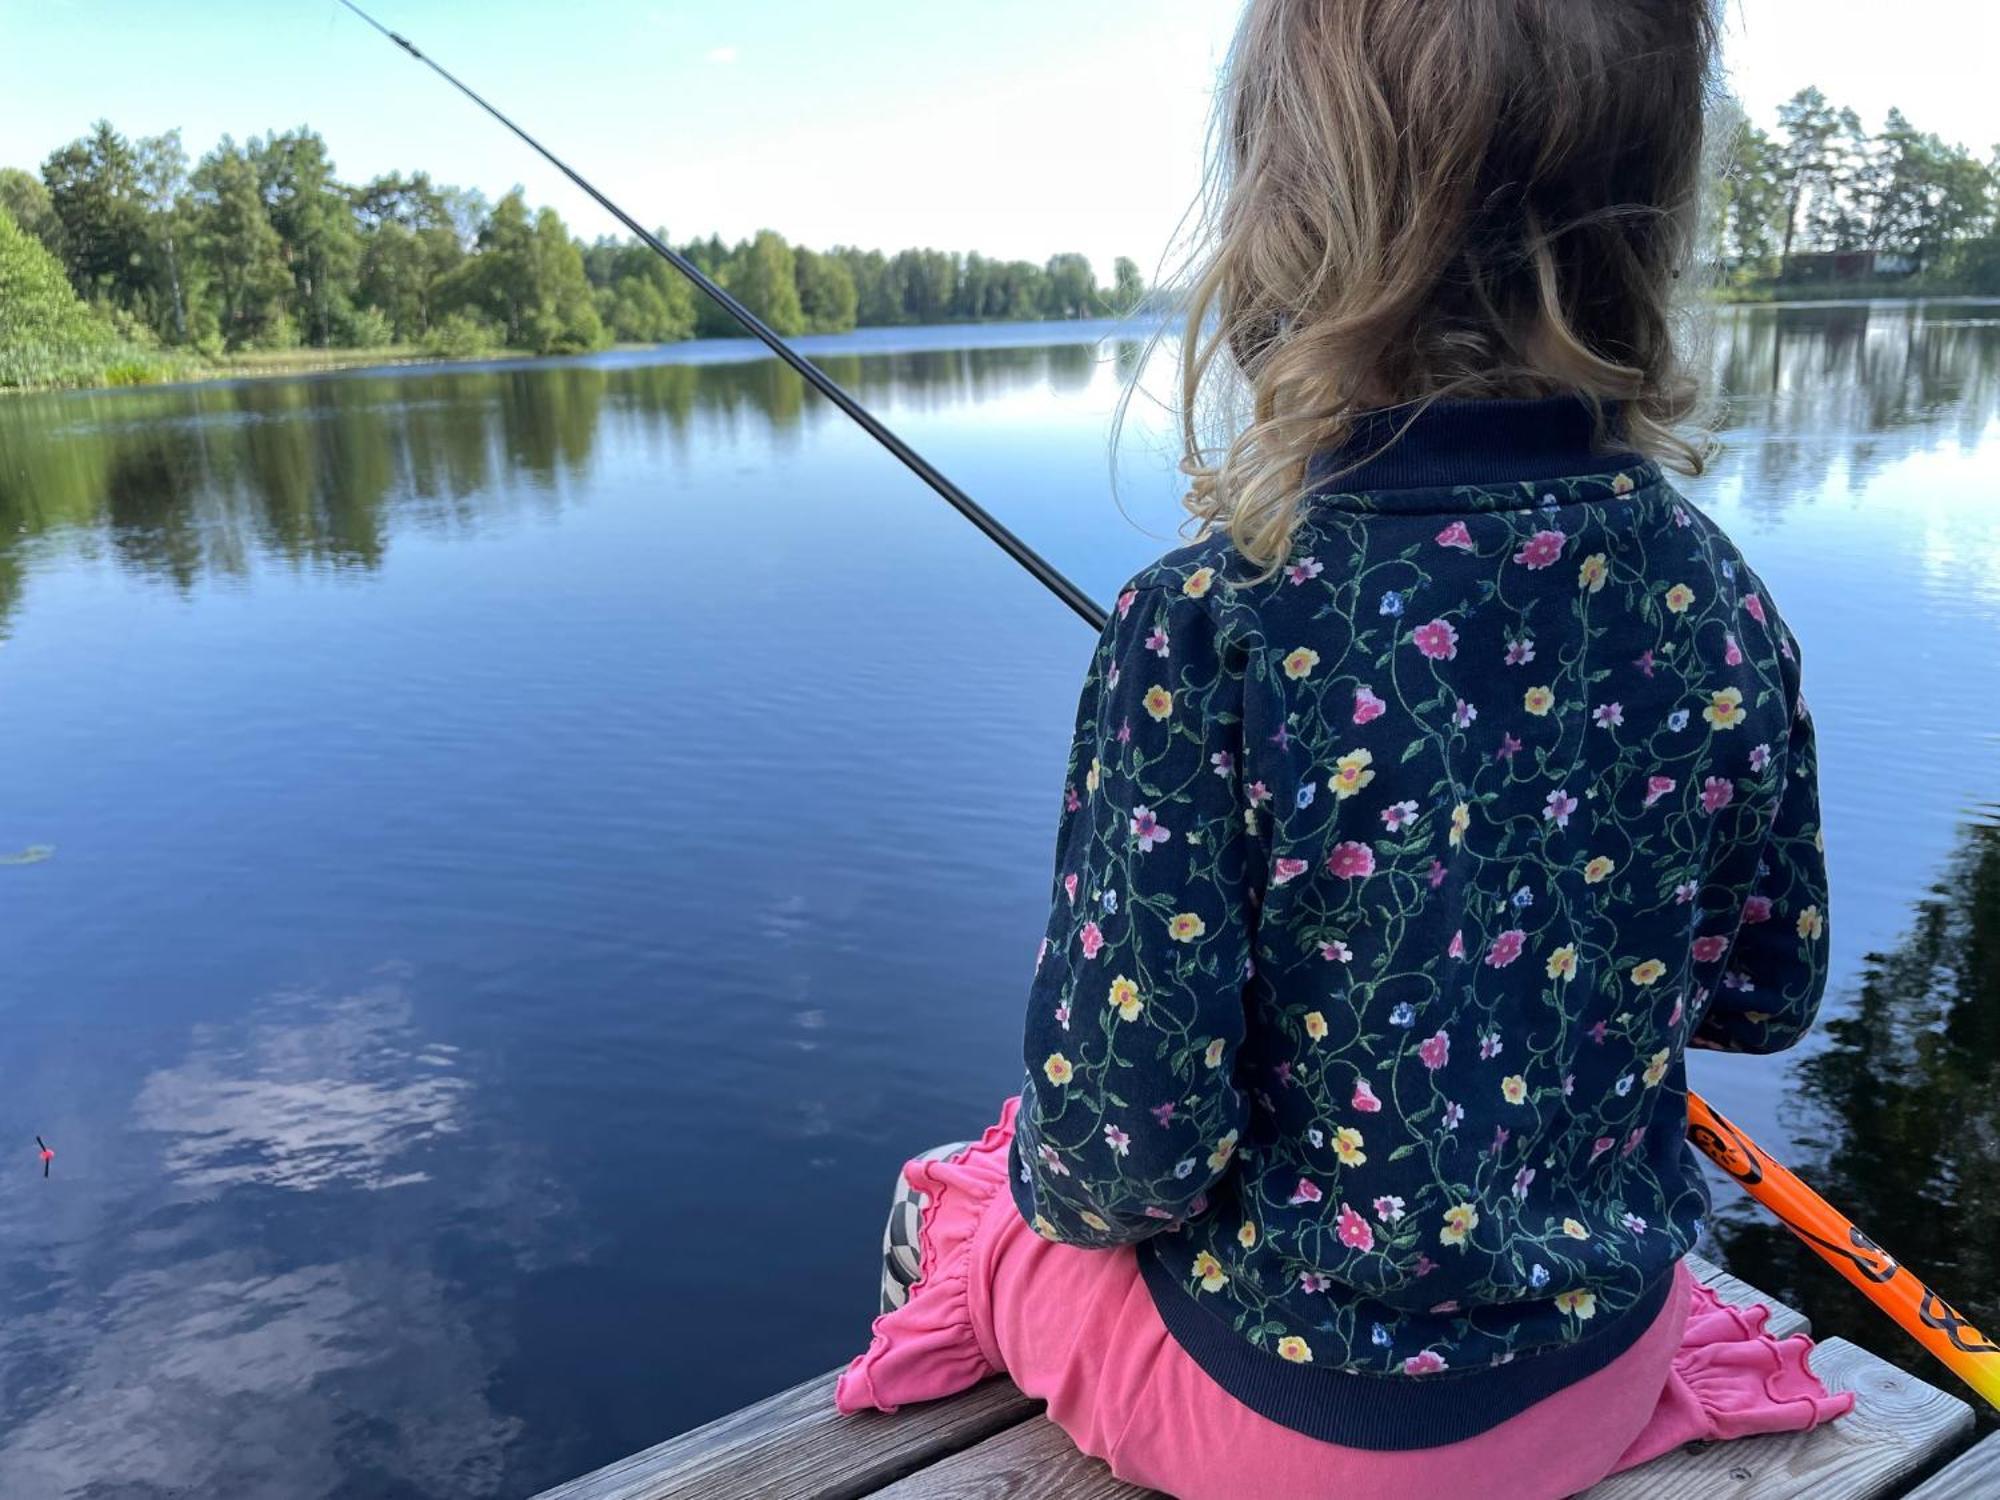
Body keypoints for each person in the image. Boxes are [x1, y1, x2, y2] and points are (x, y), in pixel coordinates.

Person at [835, 1, 1851, 1493]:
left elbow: (1122, 1157)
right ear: (1649, 221)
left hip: (1290, 1435)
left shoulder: (1203, 628)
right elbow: (1767, 993)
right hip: (1598, 1373)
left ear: (1283, 217)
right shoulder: (1715, 592)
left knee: (974, 1197)